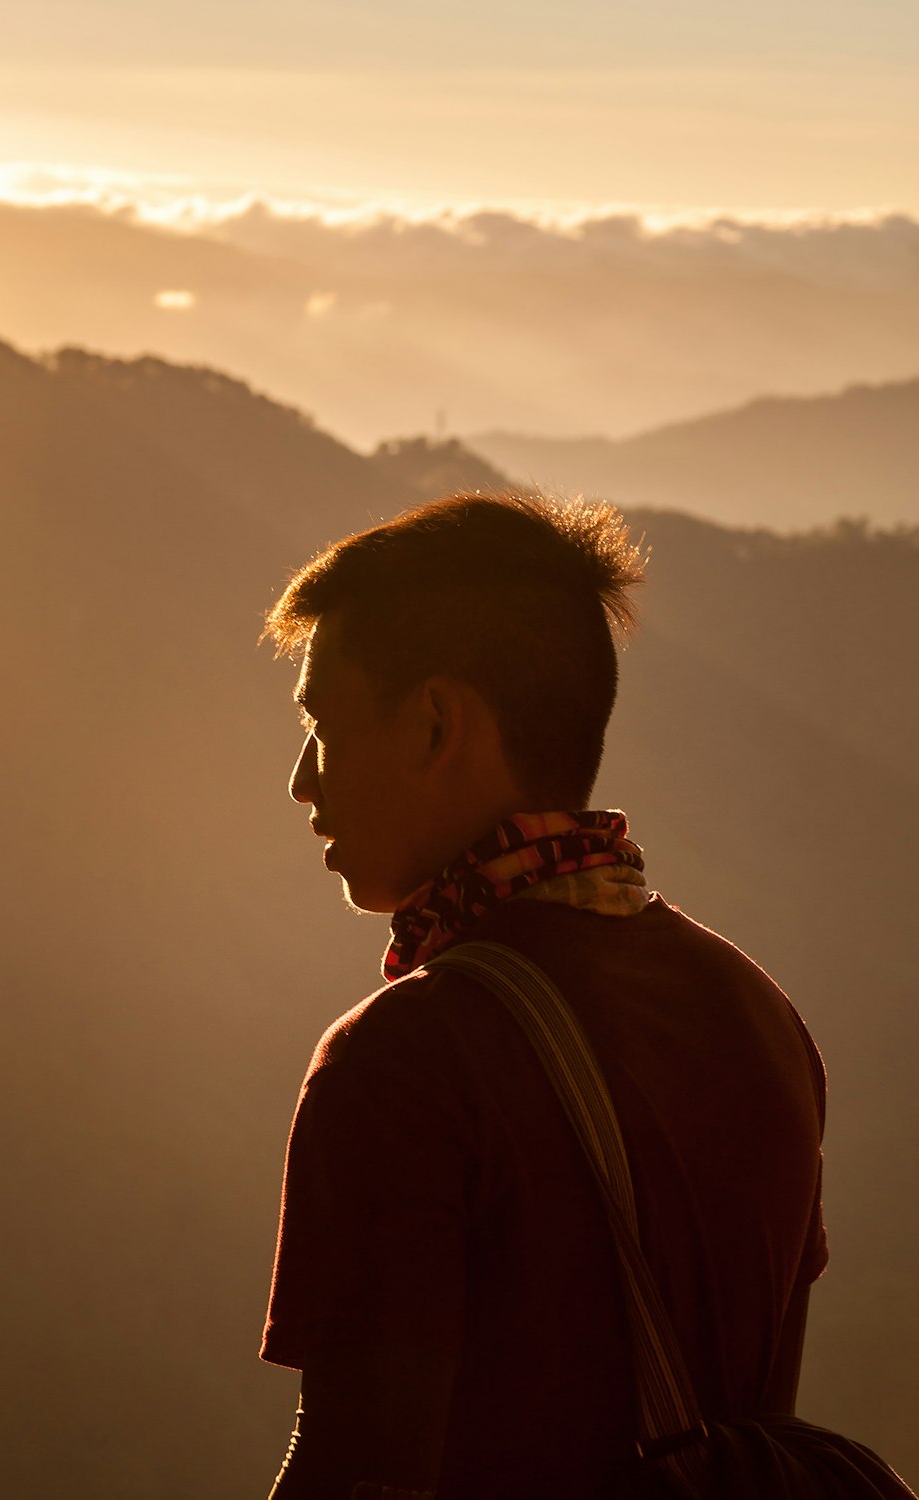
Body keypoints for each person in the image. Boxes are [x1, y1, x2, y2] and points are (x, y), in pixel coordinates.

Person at [259, 493, 827, 1500]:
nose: (303, 782)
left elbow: (357, 1470)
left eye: (323, 725)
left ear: (434, 724)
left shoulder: (403, 1064)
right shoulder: (759, 1017)